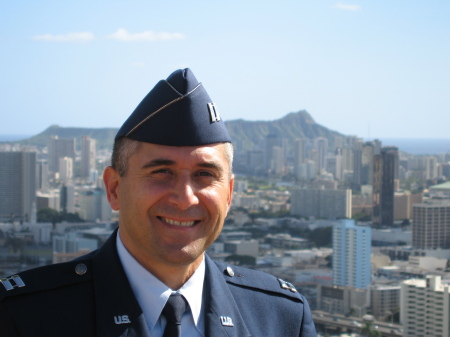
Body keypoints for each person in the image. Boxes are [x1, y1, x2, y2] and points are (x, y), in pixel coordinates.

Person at [0, 69, 316, 337]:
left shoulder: (282, 318)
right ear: (114, 189)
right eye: (162, 172)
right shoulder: (24, 317)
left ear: (229, 194)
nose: (185, 198)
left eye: (205, 174)